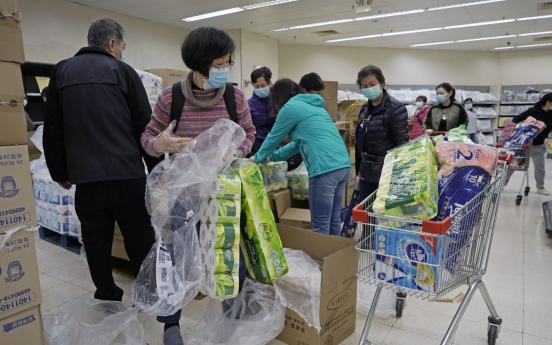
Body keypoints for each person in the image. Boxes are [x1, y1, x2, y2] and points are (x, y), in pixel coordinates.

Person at [44, 16, 160, 340]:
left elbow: (54, 128)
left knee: (96, 243)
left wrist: (59, 171)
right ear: (112, 44)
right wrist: (156, 169)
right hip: (127, 177)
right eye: (122, 46)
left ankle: (108, 295)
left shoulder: (61, 71)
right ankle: (147, 295)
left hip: (87, 181)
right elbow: (144, 126)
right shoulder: (123, 72)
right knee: (140, 239)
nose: (123, 51)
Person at [141, 25, 255, 345]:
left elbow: (249, 133)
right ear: (199, 65)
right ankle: (171, 323)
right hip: (183, 194)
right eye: (219, 64)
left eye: (228, 62)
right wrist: (160, 145)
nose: (225, 69)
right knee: (177, 257)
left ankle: (234, 321)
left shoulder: (234, 97)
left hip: (224, 194)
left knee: (232, 257)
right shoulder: (170, 98)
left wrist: (238, 150)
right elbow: (148, 138)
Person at [250, 78, 350, 236]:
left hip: (324, 169)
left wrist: (258, 157)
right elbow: (297, 144)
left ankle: (320, 259)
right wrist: (273, 157)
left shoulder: (290, 107)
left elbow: (273, 136)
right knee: (333, 219)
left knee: (320, 223)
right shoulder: (314, 107)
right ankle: (334, 257)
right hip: (343, 166)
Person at [505, 92, 552, 195]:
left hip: (539, 145)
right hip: (524, 145)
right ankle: (502, 184)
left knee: (540, 168)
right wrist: (512, 128)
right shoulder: (533, 111)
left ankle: (540, 188)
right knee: (513, 165)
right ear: (548, 102)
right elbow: (517, 118)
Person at [248, 66, 274, 155]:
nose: (260, 89)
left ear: (270, 83)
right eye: (257, 87)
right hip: (256, 143)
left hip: (275, 141)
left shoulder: (277, 102)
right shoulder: (249, 105)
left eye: (263, 86)